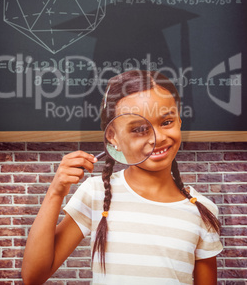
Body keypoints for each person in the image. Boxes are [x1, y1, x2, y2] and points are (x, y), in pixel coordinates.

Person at [21, 70, 223, 285]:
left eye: (166, 122)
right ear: (113, 137)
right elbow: (33, 276)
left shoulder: (202, 209)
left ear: (179, 121)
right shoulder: (95, 192)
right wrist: (55, 192)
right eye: (139, 129)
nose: (159, 138)